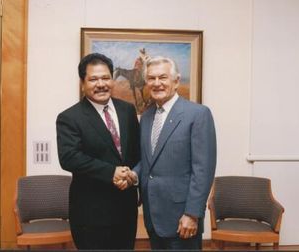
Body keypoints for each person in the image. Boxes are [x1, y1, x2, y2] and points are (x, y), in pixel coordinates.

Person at [128, 56, 217, 250]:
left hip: (183, 218)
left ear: (176, 81)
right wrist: (134, 174)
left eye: (163, 77)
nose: (157, 83)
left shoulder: (198, 114)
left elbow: (203, 170)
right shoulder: (147, 116)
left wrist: (193, 214)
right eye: (151, 78)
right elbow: (148, 160)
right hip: (153, 214)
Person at [56, 53, 140, 250]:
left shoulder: (127, 110)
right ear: (82, 83)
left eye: (105, 78)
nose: (100, 84)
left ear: (112, 79)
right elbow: (69, 158)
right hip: (90, 212)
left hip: (126, 207)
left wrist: (132, 176)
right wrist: (111, 172)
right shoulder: (70, 117)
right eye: (93, 79)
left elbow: (136, 151)